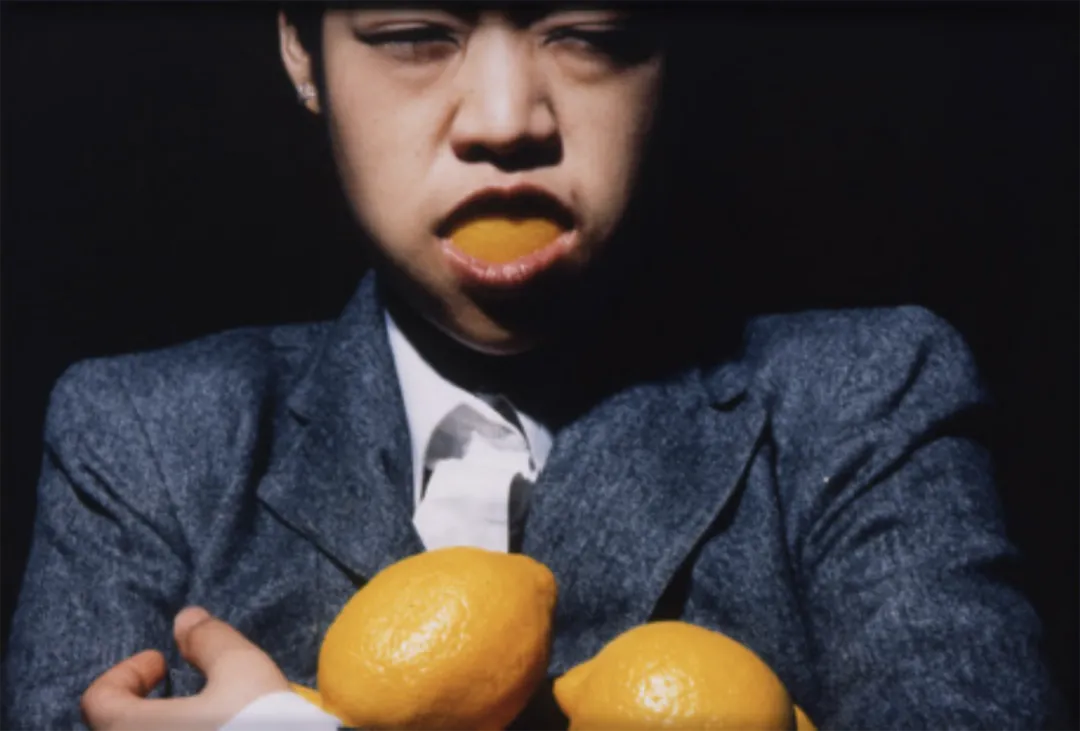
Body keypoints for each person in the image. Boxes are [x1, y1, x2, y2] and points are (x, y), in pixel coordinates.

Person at [2, 4, 1064, 730]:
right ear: (302, 50)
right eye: (413, 34)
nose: (507, 121)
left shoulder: (869, 396)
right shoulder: (141, 438)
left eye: (590, 32)